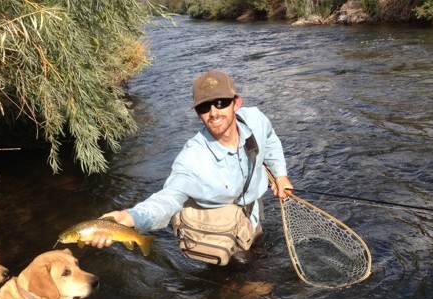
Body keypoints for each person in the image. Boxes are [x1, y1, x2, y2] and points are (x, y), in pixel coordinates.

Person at [90, 70, 293, 261]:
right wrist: (131, 217)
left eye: (221, 103)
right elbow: (168, 198)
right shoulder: (192, 159)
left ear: (236, 103)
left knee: (259, 256)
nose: (213, 113)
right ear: (198, 113)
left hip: (253, 214)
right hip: (219, 230)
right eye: (204, 107)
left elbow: (270, 140)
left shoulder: (255, 119)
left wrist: (280, 174)